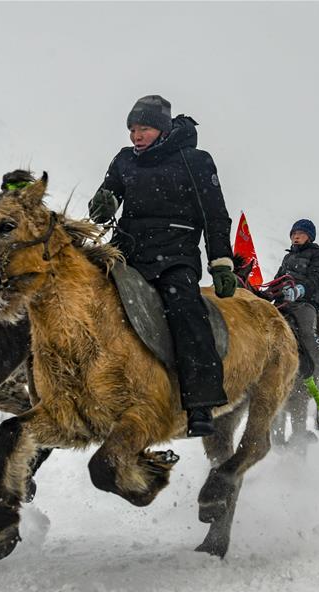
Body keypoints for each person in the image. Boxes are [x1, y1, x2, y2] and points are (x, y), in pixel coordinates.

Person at [88, 95, 236, 437]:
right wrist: (102, 205)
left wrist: (221, 263)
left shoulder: (195, 161)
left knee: (184, 309)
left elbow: (215, 215)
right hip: (125, 253)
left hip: (175, 253)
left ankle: (200, 403)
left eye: (144, 128)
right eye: (132, 129)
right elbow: (103, 205)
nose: (136, 136)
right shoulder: (124, 160)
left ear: (163, 129)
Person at [273, 219, 319, 416]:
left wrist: (299, 290)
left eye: (301, 233)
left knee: (306, 331)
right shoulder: (287, 257)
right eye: (293, 234)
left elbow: (317, 279)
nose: (296, 237)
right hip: (283, 303)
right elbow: (278, 279)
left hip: (306, 303)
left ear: (310, 237)